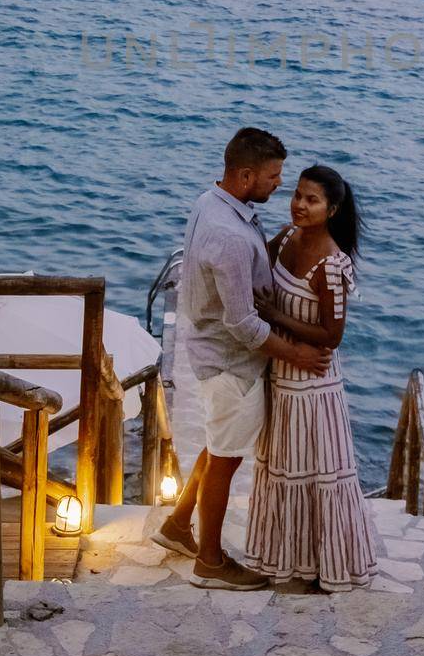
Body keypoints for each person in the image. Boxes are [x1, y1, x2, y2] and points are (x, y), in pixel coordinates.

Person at [153, 127, 332, 590]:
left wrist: (270, 246)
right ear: (246, 174)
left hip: (211, 351)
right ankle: (210, 562)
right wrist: (299, 353)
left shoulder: (212, 202)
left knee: (217, 447)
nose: (279, 185)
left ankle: (177, 525)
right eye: (273, 177)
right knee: (226, 459)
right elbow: (244, 325)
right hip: (231, 365)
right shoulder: (229, 234)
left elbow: (237, 271)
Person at [244, 163, 377, 591]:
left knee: (315, 478)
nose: (300, 205)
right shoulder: (284, 238)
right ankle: (284, 562)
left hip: (312, 390)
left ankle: (325, 568)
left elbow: (332, 336)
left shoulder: (332, 266)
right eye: (298, 195)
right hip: (279, 375)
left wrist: (273, 314)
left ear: (332, 209)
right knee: (282, 471)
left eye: (312, 200)